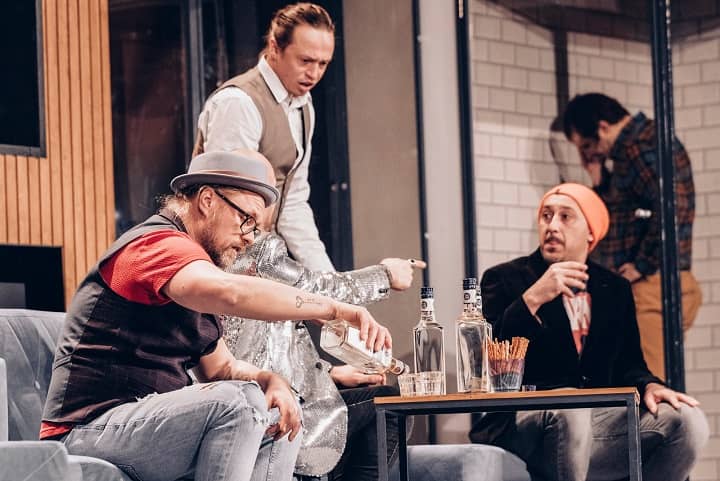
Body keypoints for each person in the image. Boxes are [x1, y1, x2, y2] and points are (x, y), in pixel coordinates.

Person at [40, 150, 393, 481]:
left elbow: (222, 368)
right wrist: (333, 308)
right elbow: (231, 293)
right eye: (246, 220)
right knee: (239, 401)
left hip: (140, 427)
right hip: (87, 430)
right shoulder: (155, 245)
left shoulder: (192, 271)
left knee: (279, 413)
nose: (249, 239)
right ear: (208, 200)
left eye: (255, 228)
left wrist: (272, 381)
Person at [470, 183, 708, 481]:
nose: (552, 226)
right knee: (572, 408)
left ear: (591, 233)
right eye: (546, 216)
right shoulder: (505, 278)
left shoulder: (614, 288)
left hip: (597, 424)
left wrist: (650, 385)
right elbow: (485, 358)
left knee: (687, 421)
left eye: (565, 217)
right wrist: (533, 298)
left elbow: (629, 364)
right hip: (525, 423)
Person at [222, 160, 425, 481]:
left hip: (265, 395)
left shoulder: (214, 257)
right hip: (274, 408)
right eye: (272, 187)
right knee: (389, 406)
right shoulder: (258, 249)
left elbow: (263, 342)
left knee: (382, 402)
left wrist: (330, 374)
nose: (275, 197)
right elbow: (317, 289)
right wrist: (385, 275)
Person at [563, 93, 701, 380]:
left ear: (603, 127)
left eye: (587, 146)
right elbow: (623, 211)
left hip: (652, 287)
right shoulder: (638, 146)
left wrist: (642, 265)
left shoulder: (638, 147)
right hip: (658, 284)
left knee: (649, 385)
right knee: (646, 380)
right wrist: (598, 179)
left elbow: (673, 207)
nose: (589, 154)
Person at [194, 2, 336, 271]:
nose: (314, 73)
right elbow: (226, 211)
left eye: (323, 64)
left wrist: (327, 277)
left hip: (261, 258)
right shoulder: (239, 102)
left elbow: (293, 202)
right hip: (222, 264)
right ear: (274, 47)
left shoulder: (303, 105)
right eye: (305, 61)